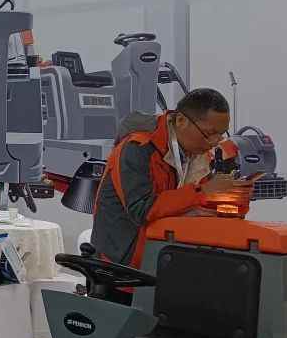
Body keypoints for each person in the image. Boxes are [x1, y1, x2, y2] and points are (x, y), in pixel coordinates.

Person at [91, 88, 252, 291]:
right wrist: (203, 191)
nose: (214, 142)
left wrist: (233, 196)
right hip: (120, 268)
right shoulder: (137, 148)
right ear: (181, 121)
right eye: (209, 133)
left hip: (164, 261)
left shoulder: (199, 154)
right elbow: (142, 209)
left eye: (221, 134)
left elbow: (192, 205)